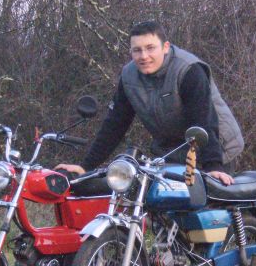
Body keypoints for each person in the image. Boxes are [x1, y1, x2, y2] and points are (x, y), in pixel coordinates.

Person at [56, 21, 243, 186]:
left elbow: (203, 120)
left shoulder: (189, 70)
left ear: (165, 47)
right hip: (172, 151)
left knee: (207, 209)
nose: (144, 56)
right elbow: (115, 124)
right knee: (166, 206)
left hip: (216, 147)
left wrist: (213, 166)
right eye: (137, 50)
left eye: (150, 48)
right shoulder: (128, 77)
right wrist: (86, 167)